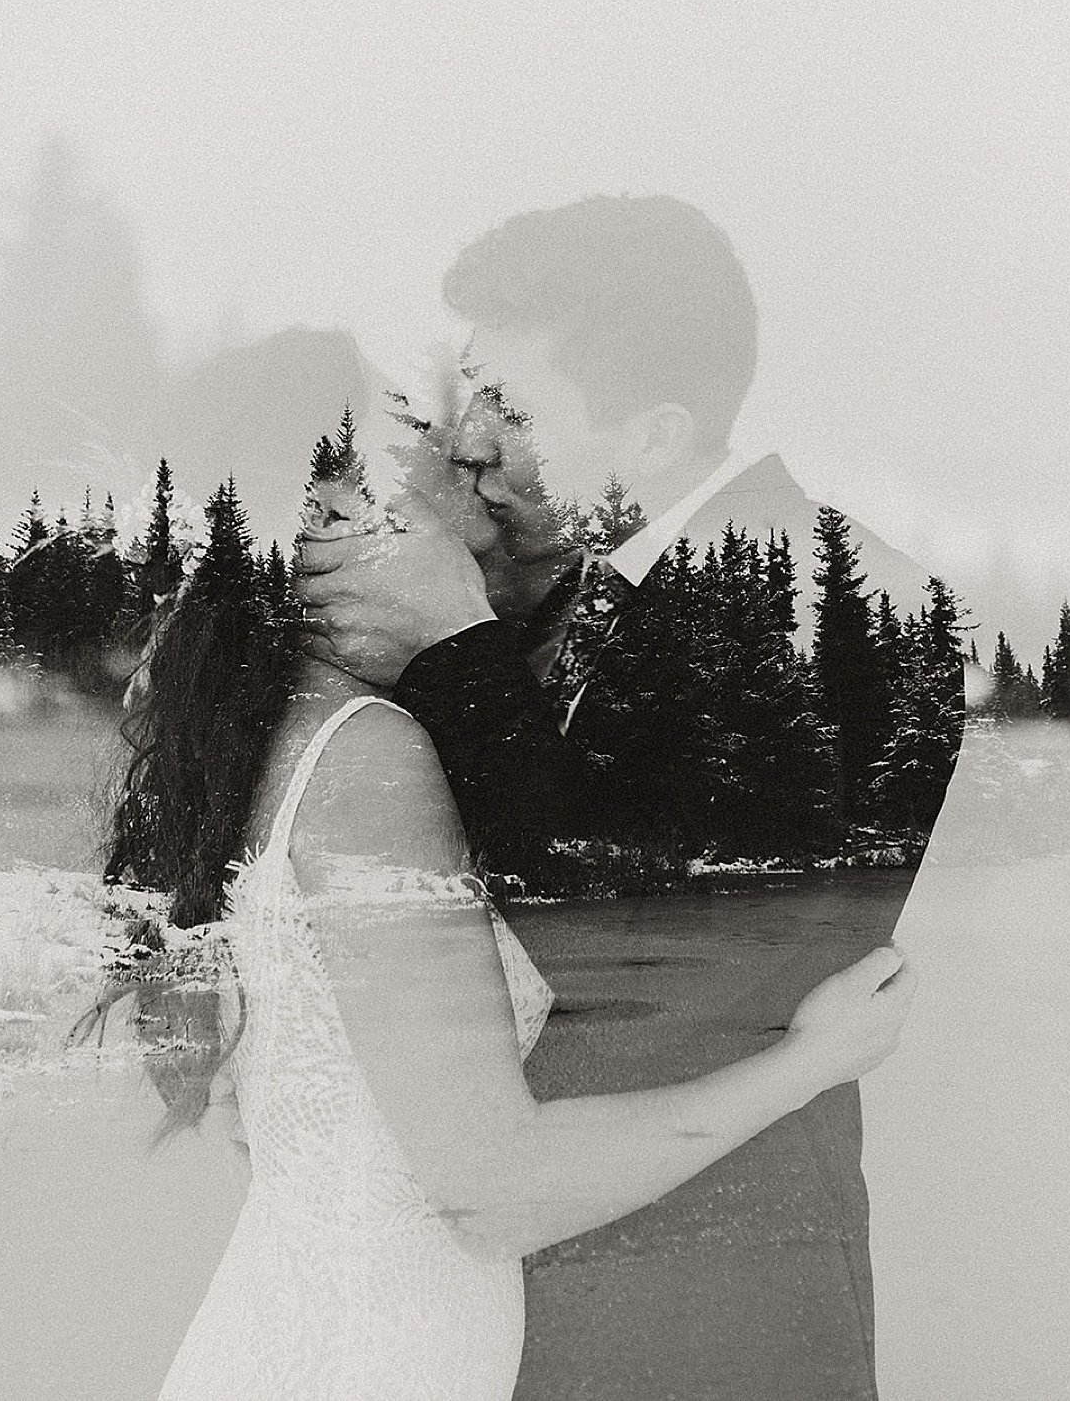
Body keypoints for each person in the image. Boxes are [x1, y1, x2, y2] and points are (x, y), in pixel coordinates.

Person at [295, 195, 963, 1399]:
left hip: (717, 1316)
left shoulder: (854, 606)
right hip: (511, 1296)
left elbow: (633, 939)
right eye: (467, 397)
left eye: (513, 406)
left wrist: (449, 646)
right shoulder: (556, 600)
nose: (467, 444)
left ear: (653, 436)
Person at [90, 452, 915, 1401]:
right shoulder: (369, 760)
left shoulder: (270, 743)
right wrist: (816, 1058)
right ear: (326, 550)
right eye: (421, 491)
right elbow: (492, 1188)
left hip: (316, 1324)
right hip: (381, 1358)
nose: (476, 510)